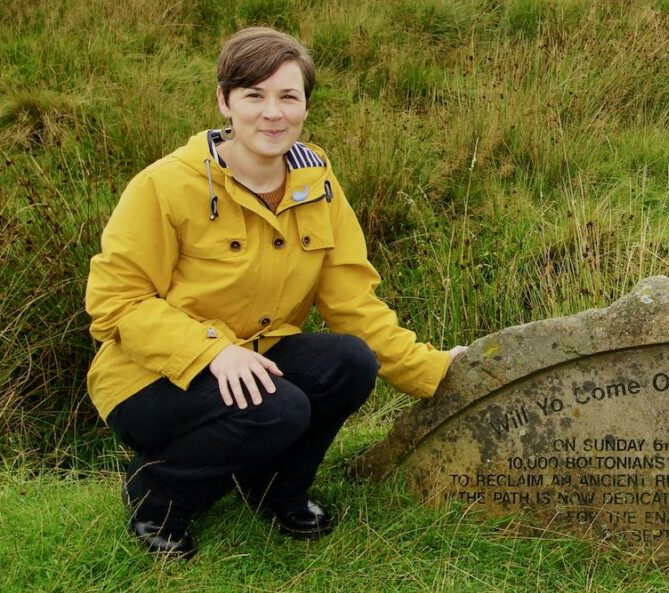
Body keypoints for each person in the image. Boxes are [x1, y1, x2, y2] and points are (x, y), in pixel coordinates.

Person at [86, 27, 465, 560]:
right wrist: (212, 351)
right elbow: (116, 303)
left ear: (305, 106)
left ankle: (273, 489)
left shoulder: (317, 184)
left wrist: (433, 372)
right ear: (225, 102)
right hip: (148, 377)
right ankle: (158, 497)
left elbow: (351, 301)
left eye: (288, 96)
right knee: (279, 408)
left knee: (351, 361)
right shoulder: (165, 185)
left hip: (255, 355)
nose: (272, 113)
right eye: (254, 96)